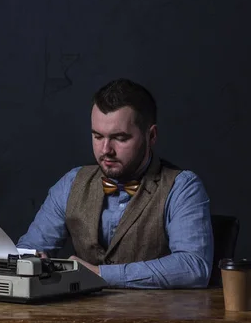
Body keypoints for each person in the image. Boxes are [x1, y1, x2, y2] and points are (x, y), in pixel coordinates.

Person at [16, 78, 213, 289]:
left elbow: (194, 267)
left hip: (156, 318)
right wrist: (32, 259)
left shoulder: (182, 187)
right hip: (80, 317)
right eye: (97, 136)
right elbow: (28, 249)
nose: (105, 150)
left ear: (151, 136)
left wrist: (100, 274)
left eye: (120, 138)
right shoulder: (71, 182)